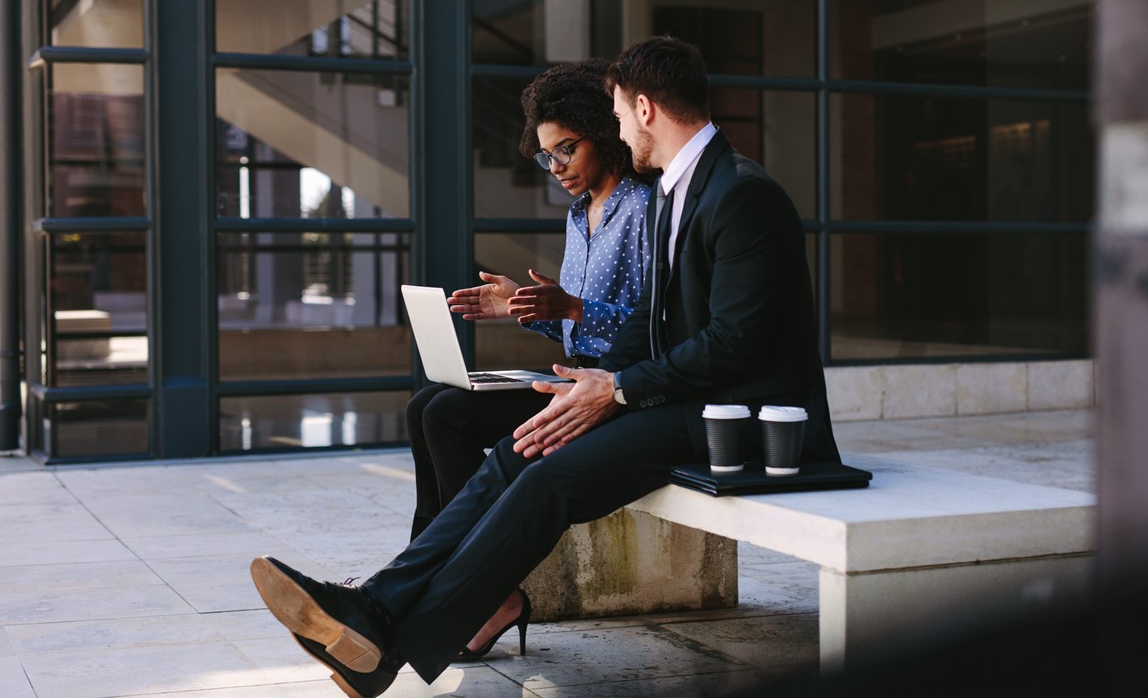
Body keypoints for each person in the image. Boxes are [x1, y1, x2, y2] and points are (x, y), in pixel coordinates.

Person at [249, 35, 840, 698]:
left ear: (644, 109)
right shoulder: (683, 192)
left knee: (545, 477)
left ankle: (392, 646)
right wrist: (583, 373)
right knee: (513, 453)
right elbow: (659, 324)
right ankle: (376, 608)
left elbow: (737, 345)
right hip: (681, 397)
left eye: (615, 114)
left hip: (742, 419)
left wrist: (614, 387)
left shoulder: (740, 195)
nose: (614, 127)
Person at [404, 58, 649, 542]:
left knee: (445, 414)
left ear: (603, 132)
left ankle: (453, 556)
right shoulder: (579, 215)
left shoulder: (642, 210)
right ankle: (426, 551)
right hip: (570, 376)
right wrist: (521, 306)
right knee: (423, 404)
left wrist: (574, 308)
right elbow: (569, 316)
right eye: (545, 156)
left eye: (566, 150)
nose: (555, 167)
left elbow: (655, 326)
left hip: (614, 391)